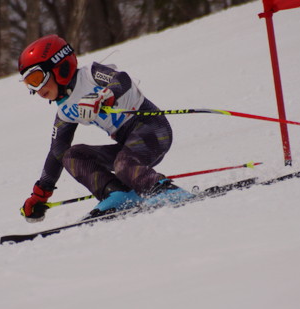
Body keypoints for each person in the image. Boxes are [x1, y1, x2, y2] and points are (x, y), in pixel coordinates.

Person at [18, 34, 193, 222]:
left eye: (37, 78)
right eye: (30, 84)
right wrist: (40, 194)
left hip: (153, 130)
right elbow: (57, 152)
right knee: (72, 155)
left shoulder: (89, 74)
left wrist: (104, 96)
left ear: (59, 66)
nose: (37, 90)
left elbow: (122, 80)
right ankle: (118, 194)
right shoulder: (65, 110)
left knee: (124, 165)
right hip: (128, 144)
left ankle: (165, 191)